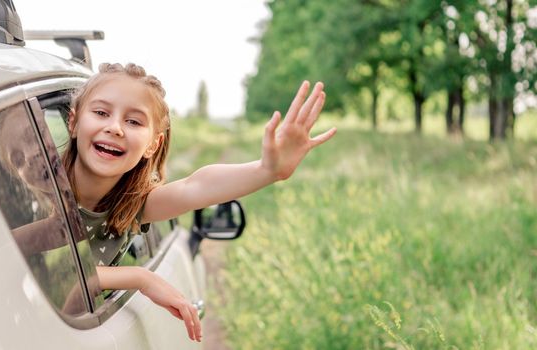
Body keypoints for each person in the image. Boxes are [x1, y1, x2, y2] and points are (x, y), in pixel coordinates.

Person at [63, 63, 337, 342]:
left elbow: (195, 186)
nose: (115, 128)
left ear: (152, 146)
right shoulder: (32, 196)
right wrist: (141, 278)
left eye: (133, 121)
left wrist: (266, 171)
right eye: (101, 113)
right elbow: (49, 278)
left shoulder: (132, 205)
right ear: (73, 123)